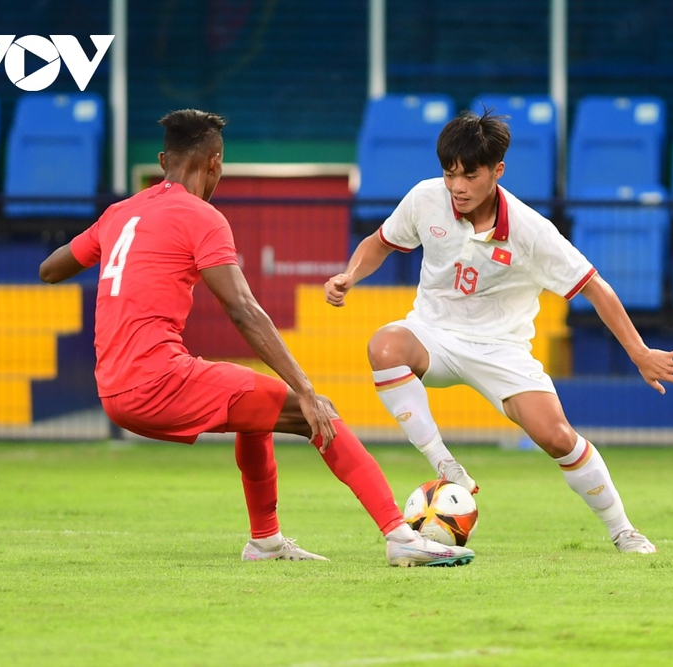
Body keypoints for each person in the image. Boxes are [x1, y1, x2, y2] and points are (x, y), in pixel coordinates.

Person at [39, 109, 473, 568]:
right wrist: (306, 390)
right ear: (214, 163)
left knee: (255, 412)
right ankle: (399, 534)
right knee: (316, 414)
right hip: (157, 381)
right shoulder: (201, 217)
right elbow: (244, 310)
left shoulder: (118, 214)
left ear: (163, 159)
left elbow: (50, 269)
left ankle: (265, 542)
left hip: (112, 390)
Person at [325, 109, 673, 554]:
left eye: (469, 175)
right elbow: (379, 242)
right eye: (449, 174)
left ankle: (623, 530)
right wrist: (350, 275)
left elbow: (595, 288)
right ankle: (445, 464)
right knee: (384, 346)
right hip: (433, 333)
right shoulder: (426, 198)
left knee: (557, 437)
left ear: (497, 171)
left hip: (501, 349)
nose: (457, 187)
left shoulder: (530, 230)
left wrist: (638, 352)